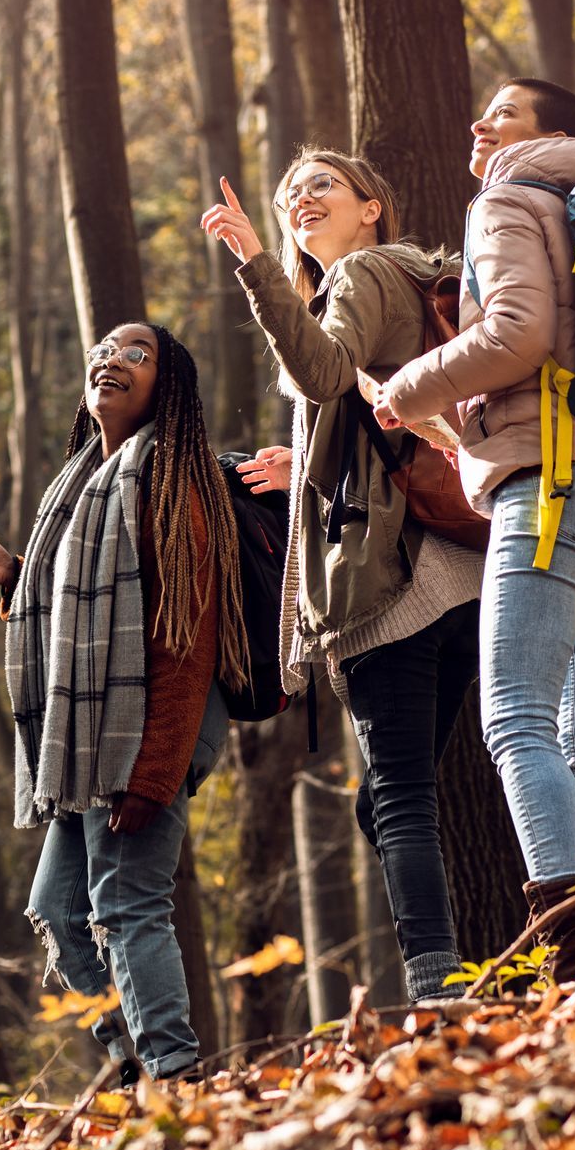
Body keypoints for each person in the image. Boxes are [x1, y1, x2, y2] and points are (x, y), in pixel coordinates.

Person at [374, 78, 575, 978]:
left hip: (550, 480)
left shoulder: (509, 196)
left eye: (501, 113)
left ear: (550, 134)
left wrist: (405, 389)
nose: (478, 123)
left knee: (516, 719)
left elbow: (518, 332)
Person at [198, 150, 486, 1003]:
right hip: (460, 569)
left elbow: (320, 374)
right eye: (292, 194)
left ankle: (436, 987)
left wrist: (254, 262)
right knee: (389, 799)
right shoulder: (406, 280)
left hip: (389, 578)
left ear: (372, 208)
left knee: (396, 794)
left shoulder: (362, 269)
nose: (300, 198)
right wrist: (313, 465)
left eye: (322, 184)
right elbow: (370, 401)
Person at [0, 322, 248, 1083]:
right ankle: (131, 1067)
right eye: (101, 353)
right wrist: (17, 572)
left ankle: (178, 1080)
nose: (111, 361)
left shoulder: (173, 477)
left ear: (168, 384)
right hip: (93, 732)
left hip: (156, 725)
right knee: (58, 908)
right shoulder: (86, 477)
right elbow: (86, 607)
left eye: (135, 355)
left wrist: (154, 772)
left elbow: (187, 635)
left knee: (125, 901)